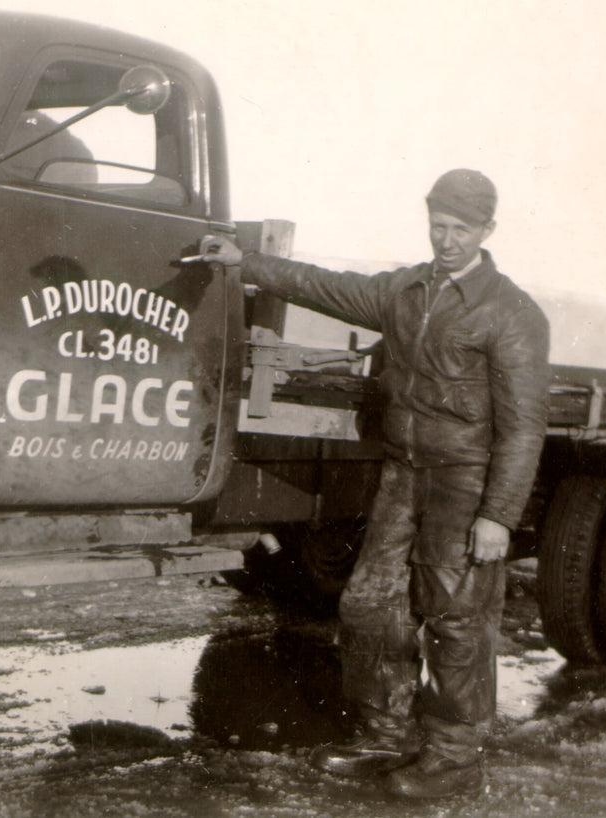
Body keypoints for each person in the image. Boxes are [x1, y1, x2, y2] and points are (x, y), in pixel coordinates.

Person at [199, 169, 550, 799]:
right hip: (403, 475)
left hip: (465, 483)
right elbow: (325, 287)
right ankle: (383, 735)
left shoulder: (512, 312)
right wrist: (243, 263)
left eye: (460, 230)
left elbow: (525, 427)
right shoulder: (406, 291)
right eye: (438, 226)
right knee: (369, 607)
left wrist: (498, 515)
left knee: (456, 618)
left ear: (488, 232)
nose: (446, 241)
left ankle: (453, 756)